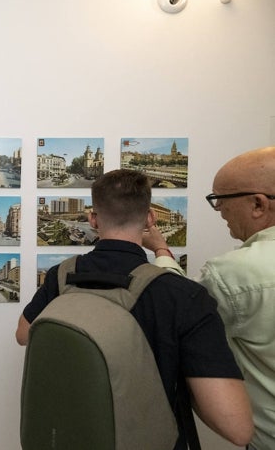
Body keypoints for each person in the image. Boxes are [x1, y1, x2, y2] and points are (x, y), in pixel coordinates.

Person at [16, 169, 253, 449]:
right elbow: (237, 428)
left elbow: (24, 333)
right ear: (150, 219)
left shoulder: (62, 274)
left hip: (73, 436)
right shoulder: (183, 296)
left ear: (93, 219)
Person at [144, 146, 275, 450]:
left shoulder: (237, 272)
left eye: (220, 200)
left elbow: (184, 314)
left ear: (258, 204)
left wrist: (161, 251)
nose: (220, 212)